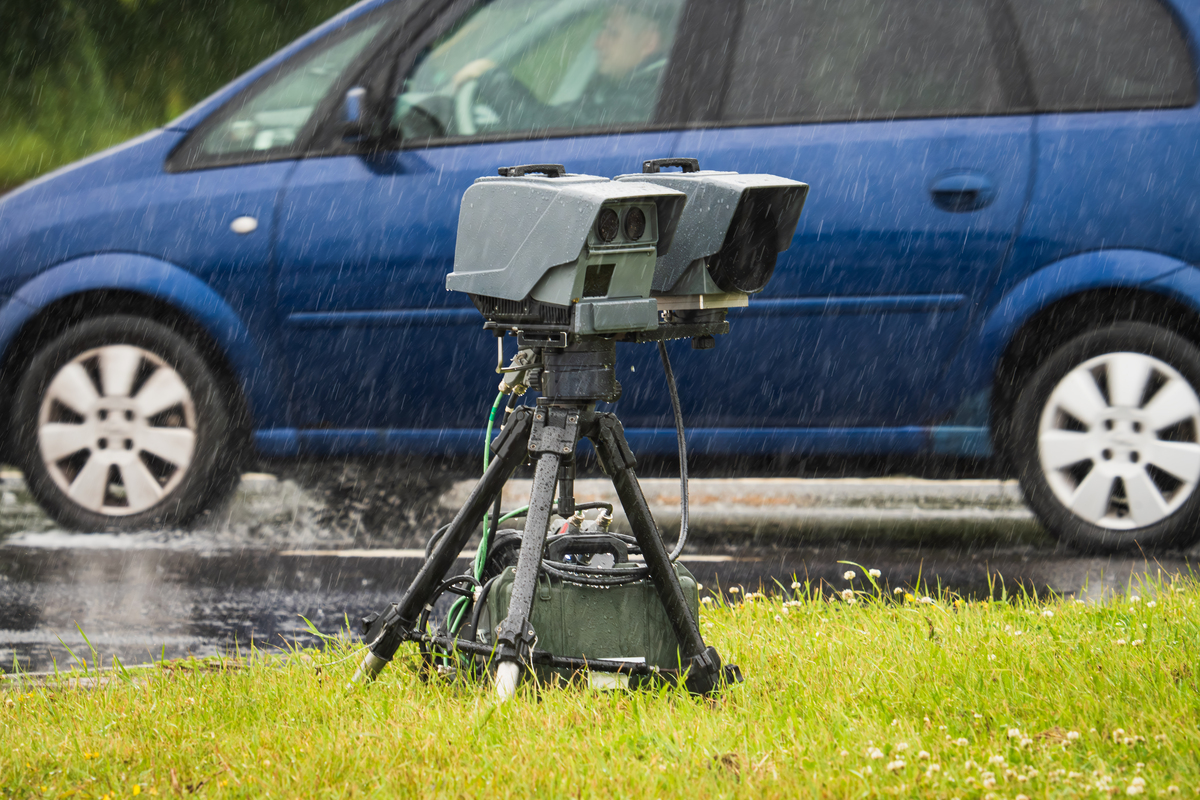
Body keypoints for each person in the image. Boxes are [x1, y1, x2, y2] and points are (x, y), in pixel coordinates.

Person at [452, 0, 679, 132]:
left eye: (612, 33)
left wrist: (491, 79)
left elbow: (550, 131)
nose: (598, 43)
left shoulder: (649, 95)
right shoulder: (635, 87)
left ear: (648, 42)